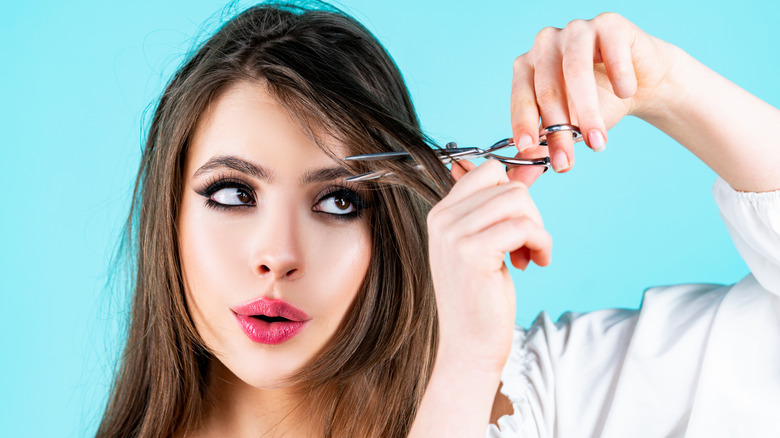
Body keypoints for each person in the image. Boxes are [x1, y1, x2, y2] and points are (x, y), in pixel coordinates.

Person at [96, 3, 780, 438]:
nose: (277, 255)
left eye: (338, 201)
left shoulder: (530, 396)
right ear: (170, 217)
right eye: (232, 194)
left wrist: (669, 88)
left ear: (389, 225)